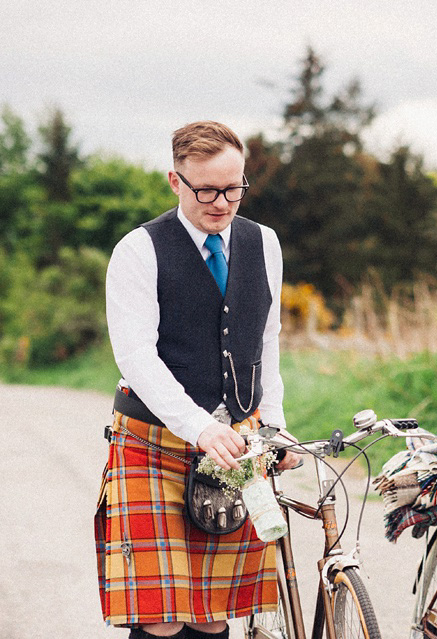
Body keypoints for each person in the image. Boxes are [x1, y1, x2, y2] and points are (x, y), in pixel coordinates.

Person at [95, 121, 300, 639]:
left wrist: (272, 424)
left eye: (233, 188)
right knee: (161, 615)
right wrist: (198, 427)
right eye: (205, 190)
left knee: (213, 611)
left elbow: (264, 340)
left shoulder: (264, 243)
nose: (222, 203)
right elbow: (136, 355)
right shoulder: (138, 250)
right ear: (175, 181)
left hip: (237, 442)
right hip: (154, 442)